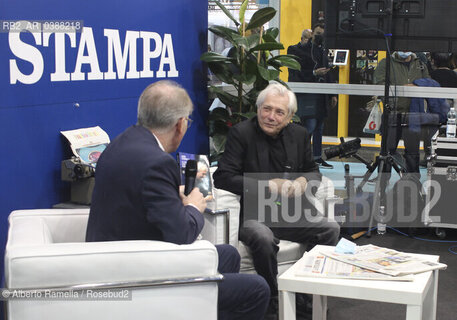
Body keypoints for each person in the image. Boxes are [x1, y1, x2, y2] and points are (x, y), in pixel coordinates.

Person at [86, 80, 270, 320]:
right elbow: (182, 234)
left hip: (111, 256)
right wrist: (194, 205)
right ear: (180, 125)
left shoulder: (121, 143)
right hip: (138, 274)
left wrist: (173, 196)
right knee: (257, 289)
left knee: (229, 254)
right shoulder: (157, 162)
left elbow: (140, 199)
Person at [213, 82, 340, 319]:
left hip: (290, 213)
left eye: (279, 112)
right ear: (258, 108)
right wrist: (266, 186)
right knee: (262, 237)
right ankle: (271, 296)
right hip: (253, 213)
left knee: (330, 229)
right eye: (266, 109)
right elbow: (223, 177)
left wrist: (303, 181)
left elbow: (313, 172)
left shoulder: (300, 134)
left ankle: (305, 291)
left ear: (290, 116)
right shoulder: (241, 133)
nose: (271, 116)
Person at [287, 24, 337, 169]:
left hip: (320, 94)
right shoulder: (295, 50)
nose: (318, 38)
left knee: (319, 127)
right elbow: (298, 71)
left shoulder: (321, 51)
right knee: (309, 126)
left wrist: (332, 93)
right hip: (305, 94)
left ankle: (316, 157)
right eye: (316, 35)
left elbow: (328, 72)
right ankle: (300, 157)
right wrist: (314, 73)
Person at [373, 51, 429, 175]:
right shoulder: (386, 63)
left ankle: (413, 179)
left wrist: (416, 85)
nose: (404, 51)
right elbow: (379, 84)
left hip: (413, 114)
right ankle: (383, 178)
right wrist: (401, 89)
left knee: (413, 151)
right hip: (393, 112)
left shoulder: (420, 64)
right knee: (387, 149)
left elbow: (428, 83)